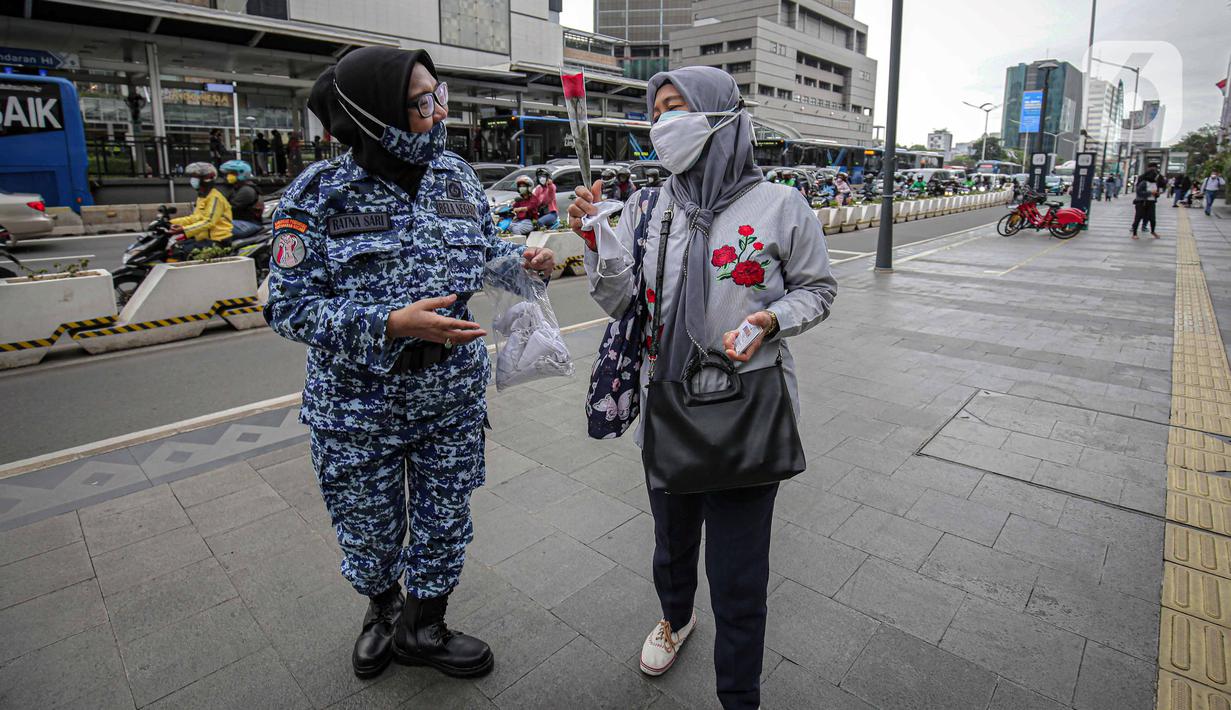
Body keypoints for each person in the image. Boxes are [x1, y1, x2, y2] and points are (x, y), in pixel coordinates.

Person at [265, 47, 555, 681]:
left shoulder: (456, 176)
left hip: (449, 397)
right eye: (422, 103)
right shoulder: (317, 194)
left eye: (439, 94)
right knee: (368, 531)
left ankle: (424, 626)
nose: (439, 112)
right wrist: (391, 324)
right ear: (375, 116)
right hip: (356, 409)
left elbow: (486, 256)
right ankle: (384, 609)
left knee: (444, 519)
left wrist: (524, 265)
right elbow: (287, 308)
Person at [568, 65, 836, 710]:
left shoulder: (781, 205)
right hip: (668, 401)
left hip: (748, 409)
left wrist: (773, 319)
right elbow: (621, 302)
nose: (663, 123)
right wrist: (597, 242)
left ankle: (739, 694)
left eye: (677, 107)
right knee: (672, 541)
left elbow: (818, 290)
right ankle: (676, 616)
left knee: (739, 572)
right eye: (656, 111)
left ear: (722, 116)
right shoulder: (646, 206)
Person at [169, 162, 233, 257]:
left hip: (217, 242)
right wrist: (171, 222)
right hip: (204, 240)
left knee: (180, 252)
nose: (193, 180)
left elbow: (208, 222)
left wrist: (183, 229)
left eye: (196, 177)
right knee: (173, 248)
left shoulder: (215, 198)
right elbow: (196, 218)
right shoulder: (202, 197)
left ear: (206, 180)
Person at [220, 159, 263, 238]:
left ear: (242, 174)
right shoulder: (236, 188)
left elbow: (230, 208)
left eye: (232, 173)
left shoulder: (247, 190)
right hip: (239, 222)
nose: (228, 176)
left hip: (249, 223)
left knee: (217, 227)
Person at [1131, 162, 1165, 239]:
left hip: (1151, 202)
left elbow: (1157, 192)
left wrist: (1157, 194)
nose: (1157, 178)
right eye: (1156, 176)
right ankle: (1134, 233)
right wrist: (1150, 193)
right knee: (1138, 218)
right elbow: (1139, 192)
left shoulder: (1155, 183)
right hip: (1142, 202)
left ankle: (1153, 231)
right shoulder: (1143, 182)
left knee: (1152, 218)